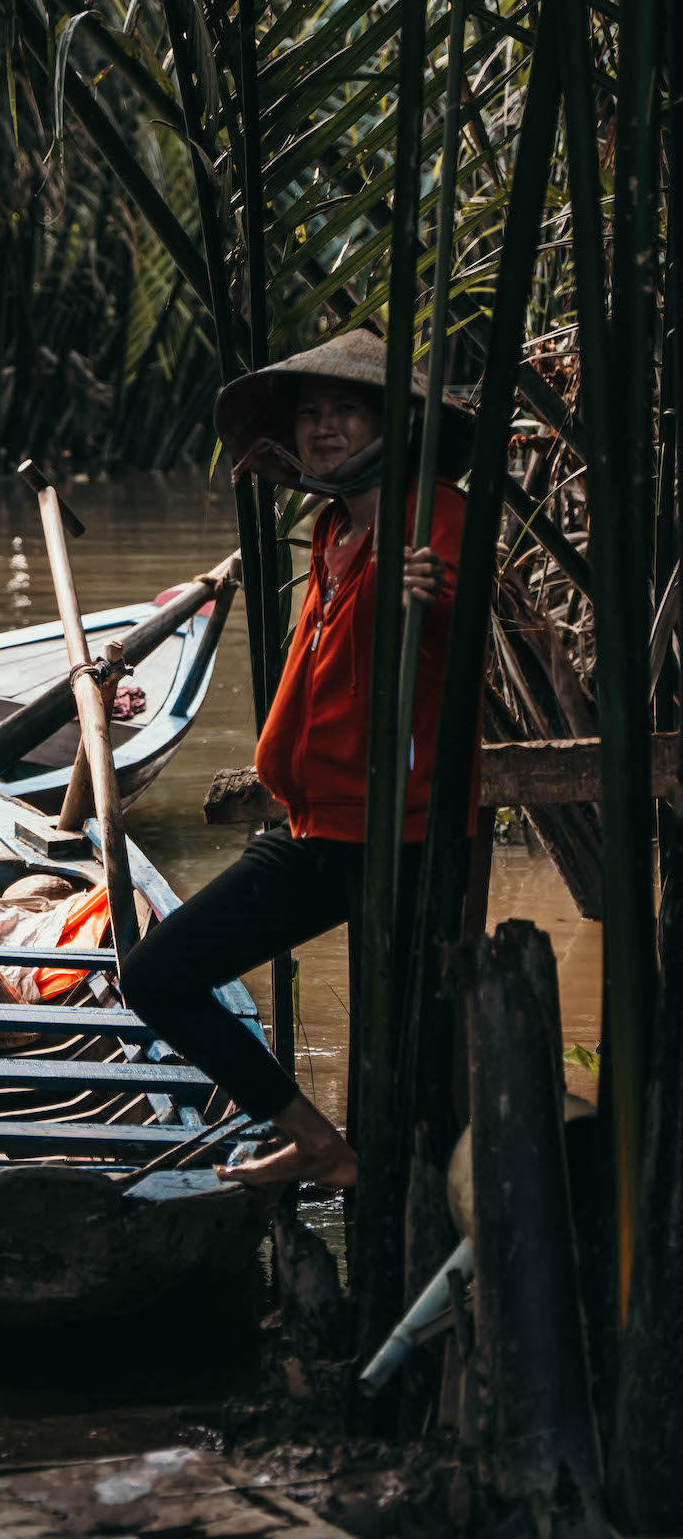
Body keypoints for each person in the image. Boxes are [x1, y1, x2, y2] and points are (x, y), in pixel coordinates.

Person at [120, 329, 476, 1191]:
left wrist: (430, 606)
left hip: (402, 835)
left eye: (345, 411)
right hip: (314, 828)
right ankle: (318, 1141)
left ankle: (408, 1216)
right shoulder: (334, 525)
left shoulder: (437, 512)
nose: (324, 429)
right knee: (157, 974)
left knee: (410, 1059)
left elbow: (460, 629)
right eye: (311, 413)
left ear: (393, 421)